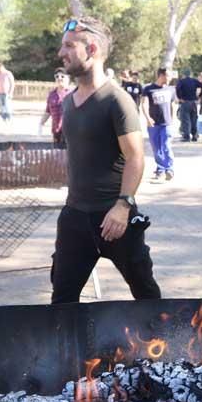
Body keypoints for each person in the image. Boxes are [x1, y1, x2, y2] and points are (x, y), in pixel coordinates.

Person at [51, 15, 161, 303]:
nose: (61, 53)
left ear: (92, 49)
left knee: (146, 295)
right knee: (62, 300)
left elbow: (136, 158)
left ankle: (166, 345)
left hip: (114, 219)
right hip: (74, 217)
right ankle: (67, 349)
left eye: (68, 46)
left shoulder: (117, 100)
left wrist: (123, 206)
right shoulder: (68, 102)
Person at [140, 67, 176, 181]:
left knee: (166, 146)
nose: (170, 78)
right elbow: (144, 104)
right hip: (153, 124)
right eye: (168, 76)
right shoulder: (148, 89)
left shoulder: (171, 89)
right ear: (161, 75)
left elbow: (172, 105)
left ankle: (169, 169)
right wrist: (147, 118)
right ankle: (160, 169)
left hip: (166, 123)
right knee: (156, 148)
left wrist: (172, 120)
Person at [39, 68, 71, 146]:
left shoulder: (72, 93)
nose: (59, 78)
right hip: (56, 132)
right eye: (57, 76)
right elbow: (48, 111)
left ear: (68, 78)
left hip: (70, 132)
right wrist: (41, 124)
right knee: (57, 155)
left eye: (62, 76)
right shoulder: (52, 94)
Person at [175, 69, 202, 142]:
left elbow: (177, 88)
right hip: (193, 102)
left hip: (185, 101)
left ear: (184, 74)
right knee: (194, 119)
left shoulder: (181, 81)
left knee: (185, 120)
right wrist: (199, 96)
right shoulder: (194, 81)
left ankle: (186, 136)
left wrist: (180, 98)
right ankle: (195, 135)